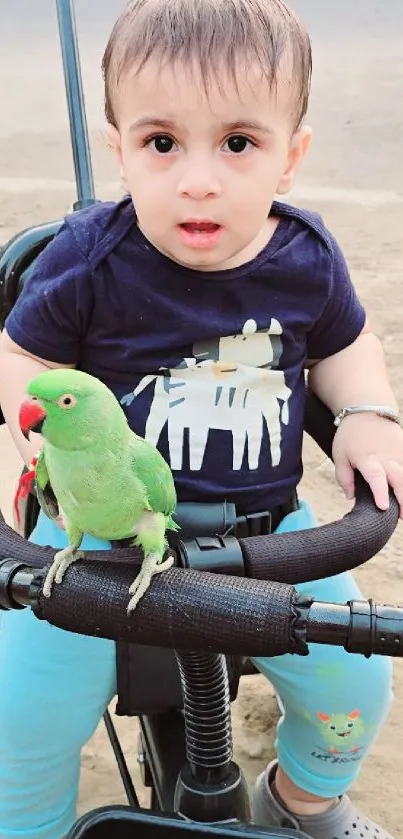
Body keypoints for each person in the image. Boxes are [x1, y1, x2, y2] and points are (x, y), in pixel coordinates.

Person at [0, 1, 402, 837]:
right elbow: (24, 361)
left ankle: (302, 802)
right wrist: (18, 442)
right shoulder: (87, 257)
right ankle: (30, 824)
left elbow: (346, 341)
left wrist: (365, 411)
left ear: (289, 156)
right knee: (19, 713)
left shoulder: (306, 256)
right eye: (160, 144)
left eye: (237, 143)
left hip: (268, 532)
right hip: (98, 534)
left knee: (352, 685)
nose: (196, 179)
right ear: (120, 152)